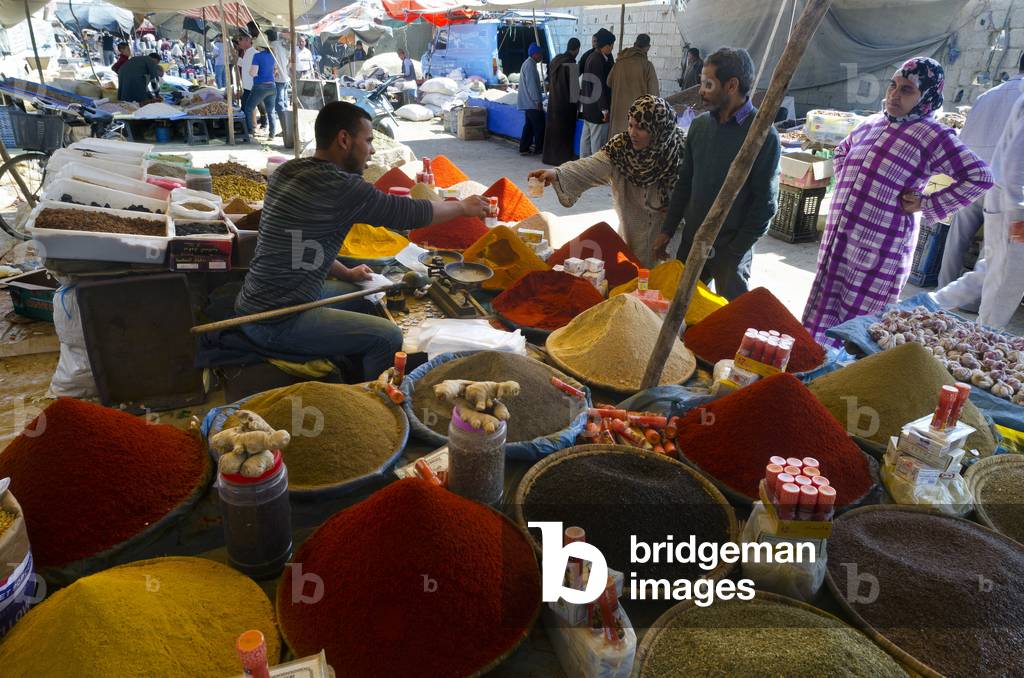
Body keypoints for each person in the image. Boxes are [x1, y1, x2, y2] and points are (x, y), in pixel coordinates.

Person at [234, 102, 489, 380]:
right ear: (344, 140)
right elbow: (408, 212)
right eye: (368, 140)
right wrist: (462, 207)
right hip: (275, 321)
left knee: (367, 298)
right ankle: (370, 396)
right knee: (388, 337)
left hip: (258, 300)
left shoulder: (288, 171)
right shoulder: (341, 186)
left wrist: (346, 272)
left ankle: (351, 364)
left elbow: (300, 245)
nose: (373, 150)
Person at [802, 57, 992, 345]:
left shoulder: (932, 135)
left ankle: (846, 372)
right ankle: (813, 361)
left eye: (906, 90)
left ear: (926, 96)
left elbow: (980, 176)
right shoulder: (872, 123)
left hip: (880, 248)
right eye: (893, 85)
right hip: (841, 239)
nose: (894, 95)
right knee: (824, 306)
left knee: (861, 325)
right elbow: (842, 151)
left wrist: (926, 203)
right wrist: (850, 190)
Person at [654, 47, 780, 300]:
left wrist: (735, 251)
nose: (701, 91)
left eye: (708, 84)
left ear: (732, 85)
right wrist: (667, 230)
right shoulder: (699, 127)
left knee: (727, 315)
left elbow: (765, 204)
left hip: (730, 251)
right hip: (693, 241)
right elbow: (684, 183)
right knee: (682, 307)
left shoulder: (762, 136)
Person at [529, 95, 685, 268]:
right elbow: (591, 166)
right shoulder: (621, 149)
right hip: (631, 234)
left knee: (665, 279)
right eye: (630, 125)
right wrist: (556, 173)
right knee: (633, 275)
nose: (632, 133)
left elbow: (696, 195)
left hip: (666, 238)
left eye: (641, 128)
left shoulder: (680, 152)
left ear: (659, 130)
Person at [932, 93, 1024, 329]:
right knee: (1001, 284)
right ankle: (980, 332)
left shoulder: (989, 95)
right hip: (1009, 202)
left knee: (986, 266)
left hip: (985, 184)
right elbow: (1015, 166)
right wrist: (1018, 217)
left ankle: (930, 304)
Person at [938, 52, 1024, 291]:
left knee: (957, 238)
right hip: (1004, 181)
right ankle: (973, 299)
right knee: (991, 247)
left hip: (973, 175)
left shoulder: (987, 95)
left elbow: (963, 139)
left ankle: (942, 291)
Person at [607, 34, 658, 137]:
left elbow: (608, 82)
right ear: (648, 47)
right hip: (636, 119)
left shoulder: (619, 62)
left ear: (634, 44)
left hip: (617, 119)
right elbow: (654, 95)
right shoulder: (647, 65)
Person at [542, 37, 581, 166]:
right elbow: (575, 92)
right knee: (564, 133)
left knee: (553, 132)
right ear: (577, 49)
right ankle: (562, 159)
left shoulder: (555, 60)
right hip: (566, 106)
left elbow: (548, 80)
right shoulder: (572, 64)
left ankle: (549, 157)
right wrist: (578, 106)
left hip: (554, 102)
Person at [580, 28, 615, 158]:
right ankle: (595, 168)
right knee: (597, 143)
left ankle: (582, 166)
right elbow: (598, 87)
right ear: (605, 45)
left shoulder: (592, 56)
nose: (612, 48)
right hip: (597, 109)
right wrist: (605, 110)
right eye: (611, 45)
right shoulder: (597, 60)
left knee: (586, 140)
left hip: (588, 106)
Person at [518, 43, 545, 156]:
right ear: (535, 54)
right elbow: (532, 85)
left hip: (528, 103)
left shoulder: (528, 63)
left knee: (529, 127)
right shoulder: (530, 65)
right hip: (532, 103)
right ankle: (539, 149)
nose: (541, 56)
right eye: (540, 54)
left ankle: (524, 148)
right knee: (540, 126)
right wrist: (537, 101)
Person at [245, 45, 277, 138]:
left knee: (248, 108)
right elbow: (275, 71)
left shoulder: (257, 56)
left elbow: (253, 73)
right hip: (272, 85)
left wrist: (250, 72)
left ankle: (250, 131)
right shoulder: (272, 55)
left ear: (259, 46)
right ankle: (272, 134)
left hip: (260, 85)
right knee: (271, 111)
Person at [267, 30, 290, 135]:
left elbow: (271, 64)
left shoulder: (272, 47)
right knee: (284, 104)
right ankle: (287, 128)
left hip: (278, 79)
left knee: (279, 105)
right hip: (285, 77)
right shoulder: (282, 45)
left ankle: (285, 130)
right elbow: (289, 60)